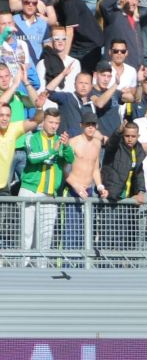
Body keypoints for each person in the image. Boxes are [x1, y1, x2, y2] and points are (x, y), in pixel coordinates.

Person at [19, 109, 74, 259]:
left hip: (50, 195)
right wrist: (52, 150)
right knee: (26, 234)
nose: (54, 126)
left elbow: (69, 160)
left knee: (46, 237)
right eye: (51, 122)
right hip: (30, 191)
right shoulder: (32, 138)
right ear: (43, 121)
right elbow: (32, 157)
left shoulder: (60, 141)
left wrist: (67, 146)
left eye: (57, 123)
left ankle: (41, 273)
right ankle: (22, 273)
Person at [64, 112, 109, 252]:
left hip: (88, 192)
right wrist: (76, 186)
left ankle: (83, 266)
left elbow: (95, 169)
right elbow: (64, 171)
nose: (90, 127)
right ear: (81, 125)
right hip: (72, 191)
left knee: (86, 231)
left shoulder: (97, 144)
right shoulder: (73, 142)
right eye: (87, 124)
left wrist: (100, 186)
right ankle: (68, 266)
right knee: (71, 232)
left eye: (93, 124)